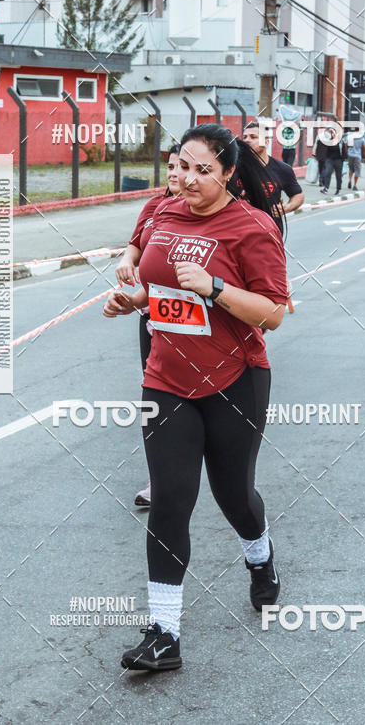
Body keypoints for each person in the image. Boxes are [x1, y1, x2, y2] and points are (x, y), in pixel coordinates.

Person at [103, 124, 288, 671]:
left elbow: (274, 313)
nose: (186, 178)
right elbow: (157, 287)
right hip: (165, 379)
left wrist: (214, 288)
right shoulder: (163, 213)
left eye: (202, 170)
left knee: (235, 496)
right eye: (181, 165)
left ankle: (260, 556)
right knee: (169, 500)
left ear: (229, 173)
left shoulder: (251, 227)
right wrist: (132, 300)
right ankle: (164, 634)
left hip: (235, 380)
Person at [115, 145, 180, 508]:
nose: (175, 173)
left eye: (185, 166)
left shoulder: (215, 214)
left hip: (206, 331)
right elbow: (134, 245)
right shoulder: (154, 208)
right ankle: (159, 478)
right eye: (171, 165)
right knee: (155, 399)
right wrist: (127, 263)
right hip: (154, 319)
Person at [241, 121, 304, 214]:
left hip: (269, 226)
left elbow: (298, 195)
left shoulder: (282, 169)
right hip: (240, 226)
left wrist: (286, 208)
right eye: (244, 137)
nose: (247, 140)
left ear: (266, 142)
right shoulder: (232, 168)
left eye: (253, 137)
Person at [321, 129, 345, 195]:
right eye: (332, 133)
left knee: (338, 175)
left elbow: (344, 151)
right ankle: (326, 188)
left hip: (338, 160)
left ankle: (338, 189)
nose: (333, 134)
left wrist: (342, 160)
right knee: (328, 173)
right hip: (330, 160)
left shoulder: (341, 142)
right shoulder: (329, 141)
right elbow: (326, 150)